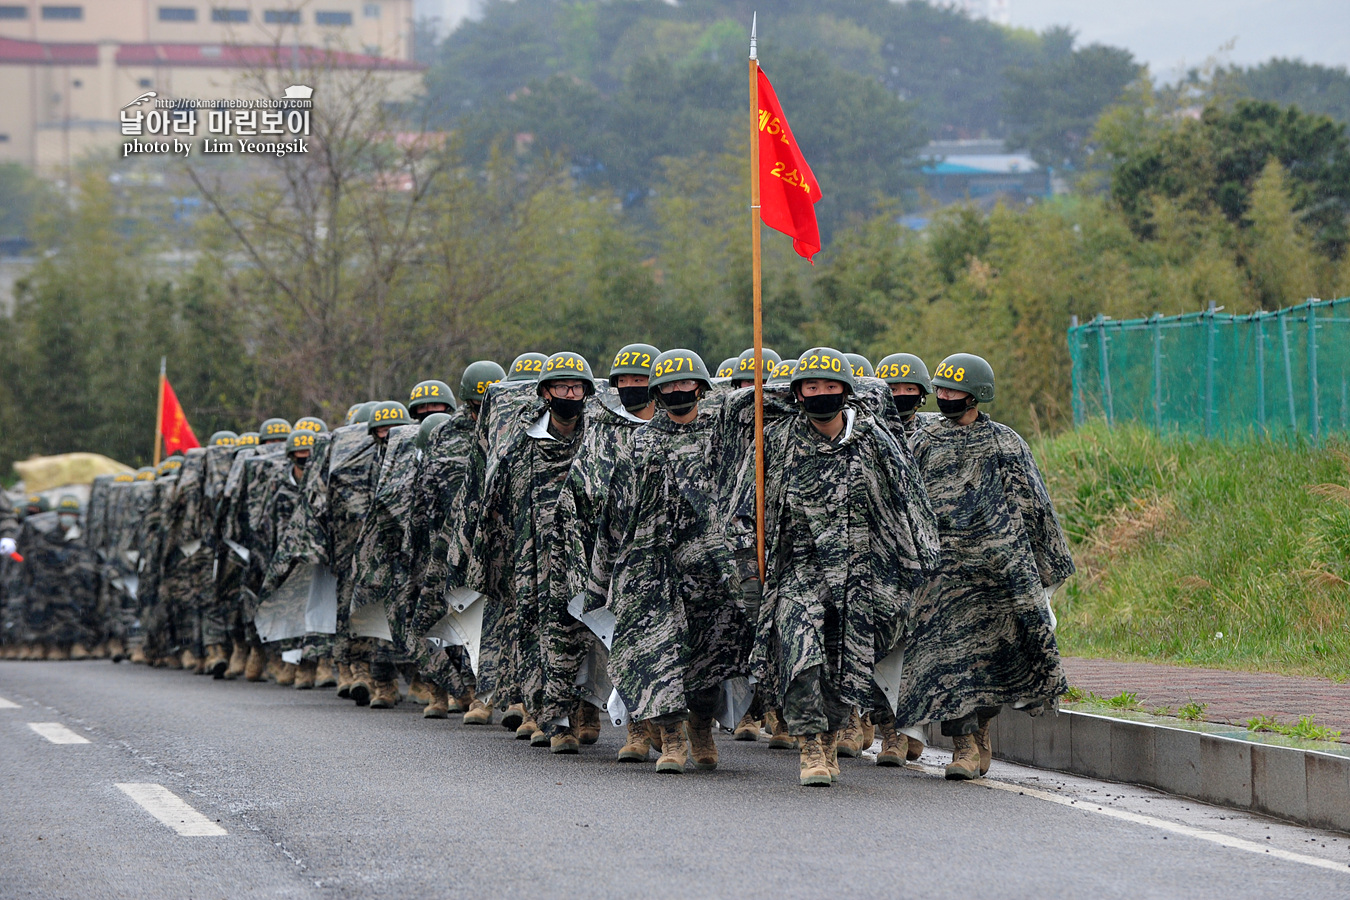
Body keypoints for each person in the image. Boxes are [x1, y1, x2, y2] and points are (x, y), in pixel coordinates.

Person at [730, 347, 940, 786]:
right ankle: (810, 747)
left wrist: (916, 571)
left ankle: (829, 738)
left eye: (830, 386)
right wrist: (749, 570)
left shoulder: (874, 439)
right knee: (802, 657)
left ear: (845, 391)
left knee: (846, 665)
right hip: (796, 574)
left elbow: (909, 505)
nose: (821, 394)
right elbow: (740, 512)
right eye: (812, 387)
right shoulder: (776, 440)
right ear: (799, 394)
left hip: (860, 576)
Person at [899, 353, 1075, 780]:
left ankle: (981, 727)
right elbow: (905, 502)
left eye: (953, 391)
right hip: (943, 576)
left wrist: (1045, 570)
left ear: (976, 395)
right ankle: (961, 745)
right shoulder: (923, 442)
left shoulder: (1006, 442)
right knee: (948, 663)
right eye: (940, 389)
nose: (944, 397)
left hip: (999, 574)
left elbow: (1035, 506)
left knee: (996, 660)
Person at [605, 349, 747, 774]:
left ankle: (701, 726)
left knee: (708, 656)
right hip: (654, 569)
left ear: (702, 388)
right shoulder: (641, 442)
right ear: (656, 392)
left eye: (686, 384)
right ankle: (671, 740)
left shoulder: (724, 432)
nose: (677, 392)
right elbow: (616, 512)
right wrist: (602, 577)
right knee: (659, 655)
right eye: (667, 386)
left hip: (712, 569)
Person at [467, 351, 593, 744]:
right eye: (561, 387)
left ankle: (576, 713)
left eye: (576, 387)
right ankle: (546, 714)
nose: (569, 393)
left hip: (583, 555)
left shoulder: (597, 438)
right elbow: (500, 502)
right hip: (531, 556)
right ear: (545, 393)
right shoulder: (522, 442)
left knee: (579, 634)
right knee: (535, 632)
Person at [543, 342, 659, 755]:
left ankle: (642, 729)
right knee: (570, 636)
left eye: (640, 379)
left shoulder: (670, 428)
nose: (632, 387)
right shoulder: (603, 430)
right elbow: (578, 495)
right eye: (624, 380)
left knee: (640, 640)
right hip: (595, 552)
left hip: (652, 556)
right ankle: (565, 717)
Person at [876, 353, 936, 439]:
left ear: (921, 393)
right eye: (893, 390)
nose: (901, 394)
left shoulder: (934, 431)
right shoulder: (872, 432)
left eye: (910, 389)